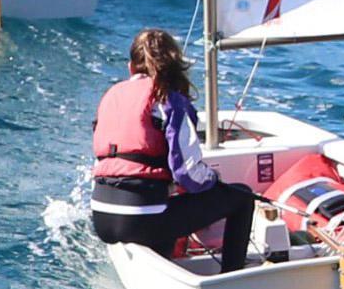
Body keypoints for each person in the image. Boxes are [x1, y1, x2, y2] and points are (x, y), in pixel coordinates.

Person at [89, 28, 259, 273]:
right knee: (242, 197)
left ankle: (161, 263)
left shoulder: (111, 96)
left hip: (103, 218)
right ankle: (232, 276)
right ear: (174, 65)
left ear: (130, 68)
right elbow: (187, 174)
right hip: (140, 218)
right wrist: (214, 180)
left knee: (166, 204)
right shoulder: (168, 100)